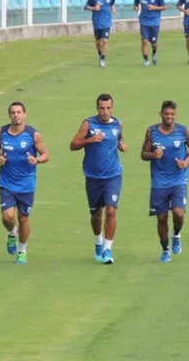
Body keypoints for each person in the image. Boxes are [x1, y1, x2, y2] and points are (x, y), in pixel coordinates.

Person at [70, 93, 128, 264]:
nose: (105, 111)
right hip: (93, 177)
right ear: (97, 108)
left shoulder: (118, 124)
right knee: (96, 215)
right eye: (102, 108)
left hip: (113, 175)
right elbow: (73, 145)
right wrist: (90, 140)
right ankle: (98, 241)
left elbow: (120, 139)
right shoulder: (88, 124)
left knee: (111, 210)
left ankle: (108, 249)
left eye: (108, 108)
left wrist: (122, 145)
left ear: (112, 108)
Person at [140, 101, 189, 263]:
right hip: (159, 182)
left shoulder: (184, 131)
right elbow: (143, 154)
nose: (169, 117)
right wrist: (153, 155)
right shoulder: (152, 132)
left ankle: (176, 234)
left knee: (179, 214)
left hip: (179, 179)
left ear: (175, 115)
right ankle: (165, 250)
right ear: (161, 114)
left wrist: (185, 162)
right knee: (161, 217)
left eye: (172, 114)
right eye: (166, 114)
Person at [0, 102, 49, 264]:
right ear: (9, 115)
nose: (16, 115)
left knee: (23, 218)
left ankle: (22, 251)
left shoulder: (33, 135)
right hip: (6, 182)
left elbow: (46, 154)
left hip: (26, 184)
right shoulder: (1, 132)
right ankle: (11, 233)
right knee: (8, 217)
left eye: (19, 112)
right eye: (13, 112)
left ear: (25, 115)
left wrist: (36, 159)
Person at [134, 0, 167, 67]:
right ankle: (146, 60)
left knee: (154, 43)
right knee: (144, 41)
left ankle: (154, 53)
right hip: (144, 21)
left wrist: (155, 8)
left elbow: (164, 7)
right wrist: (136, 8)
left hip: (154, 22)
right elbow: (135, 5)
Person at [85, 0, 116, 68]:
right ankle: (100, 54)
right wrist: (94, 8)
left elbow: (112, 3)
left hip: (107, 22)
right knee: (98, 42)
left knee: (105, 40)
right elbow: (86, 7)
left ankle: (102, 59)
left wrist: (113, 8)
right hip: (97, 22)